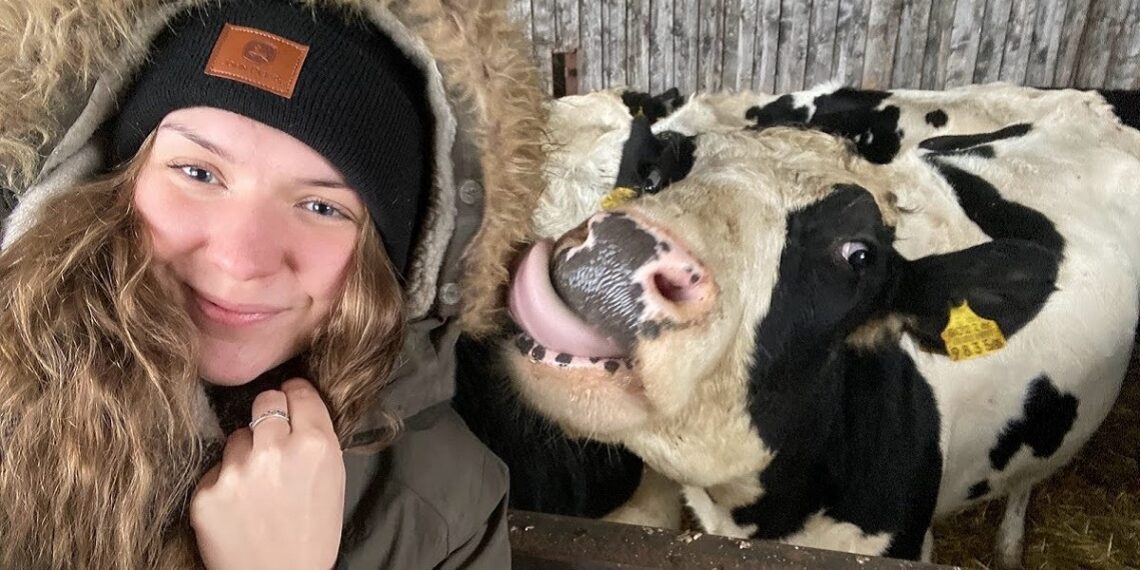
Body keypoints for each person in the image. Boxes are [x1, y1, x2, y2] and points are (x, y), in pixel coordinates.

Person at [0, 0, 545, 567]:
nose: (241, 261)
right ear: (113, 180)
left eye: (320, 205)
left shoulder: (448, 506)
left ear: (392, 260)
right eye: (198, 173)